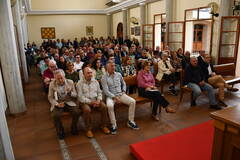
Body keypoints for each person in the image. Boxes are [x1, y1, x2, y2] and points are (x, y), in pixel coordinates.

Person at [101, 61, 139, 134]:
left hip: (120, 94)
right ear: (107, 68)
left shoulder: (118, 74)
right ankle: (114, 124)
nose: (113, 67)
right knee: (109, 106)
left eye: (114, 66)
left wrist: (124, 91)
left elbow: (123, 83)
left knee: (132, 101)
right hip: (110, 96)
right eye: (111, 66)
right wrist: (114, 97)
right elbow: (105, 91)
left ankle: (130, 121)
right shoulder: (104, 77)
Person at [76, 67, 110, 138]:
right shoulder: (79, 83)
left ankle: (103, 126)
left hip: (95, 100)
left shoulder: (95, 82)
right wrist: (91, 102)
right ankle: (88, 129)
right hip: (84, 102)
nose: (90, 74)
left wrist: (98, 100)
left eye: (91, 72)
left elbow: (99, 92)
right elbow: (80, 97)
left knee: (104, 107)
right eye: (88, 73)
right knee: (87, 110)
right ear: (83, 74)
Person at [48, 69, 80, 139]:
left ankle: (73, 127)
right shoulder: (52, 84)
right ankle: (60, 130)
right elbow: (50, 97)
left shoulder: (70, 82)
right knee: (55, 115)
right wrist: (56, 104)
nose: (60, 80)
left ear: (64, 77)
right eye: (58, 79)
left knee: (76, 112)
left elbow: (76, 95)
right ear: (55, 78)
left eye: (61, 78)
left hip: (69, 101)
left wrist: (70, 92)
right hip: (58, 103)